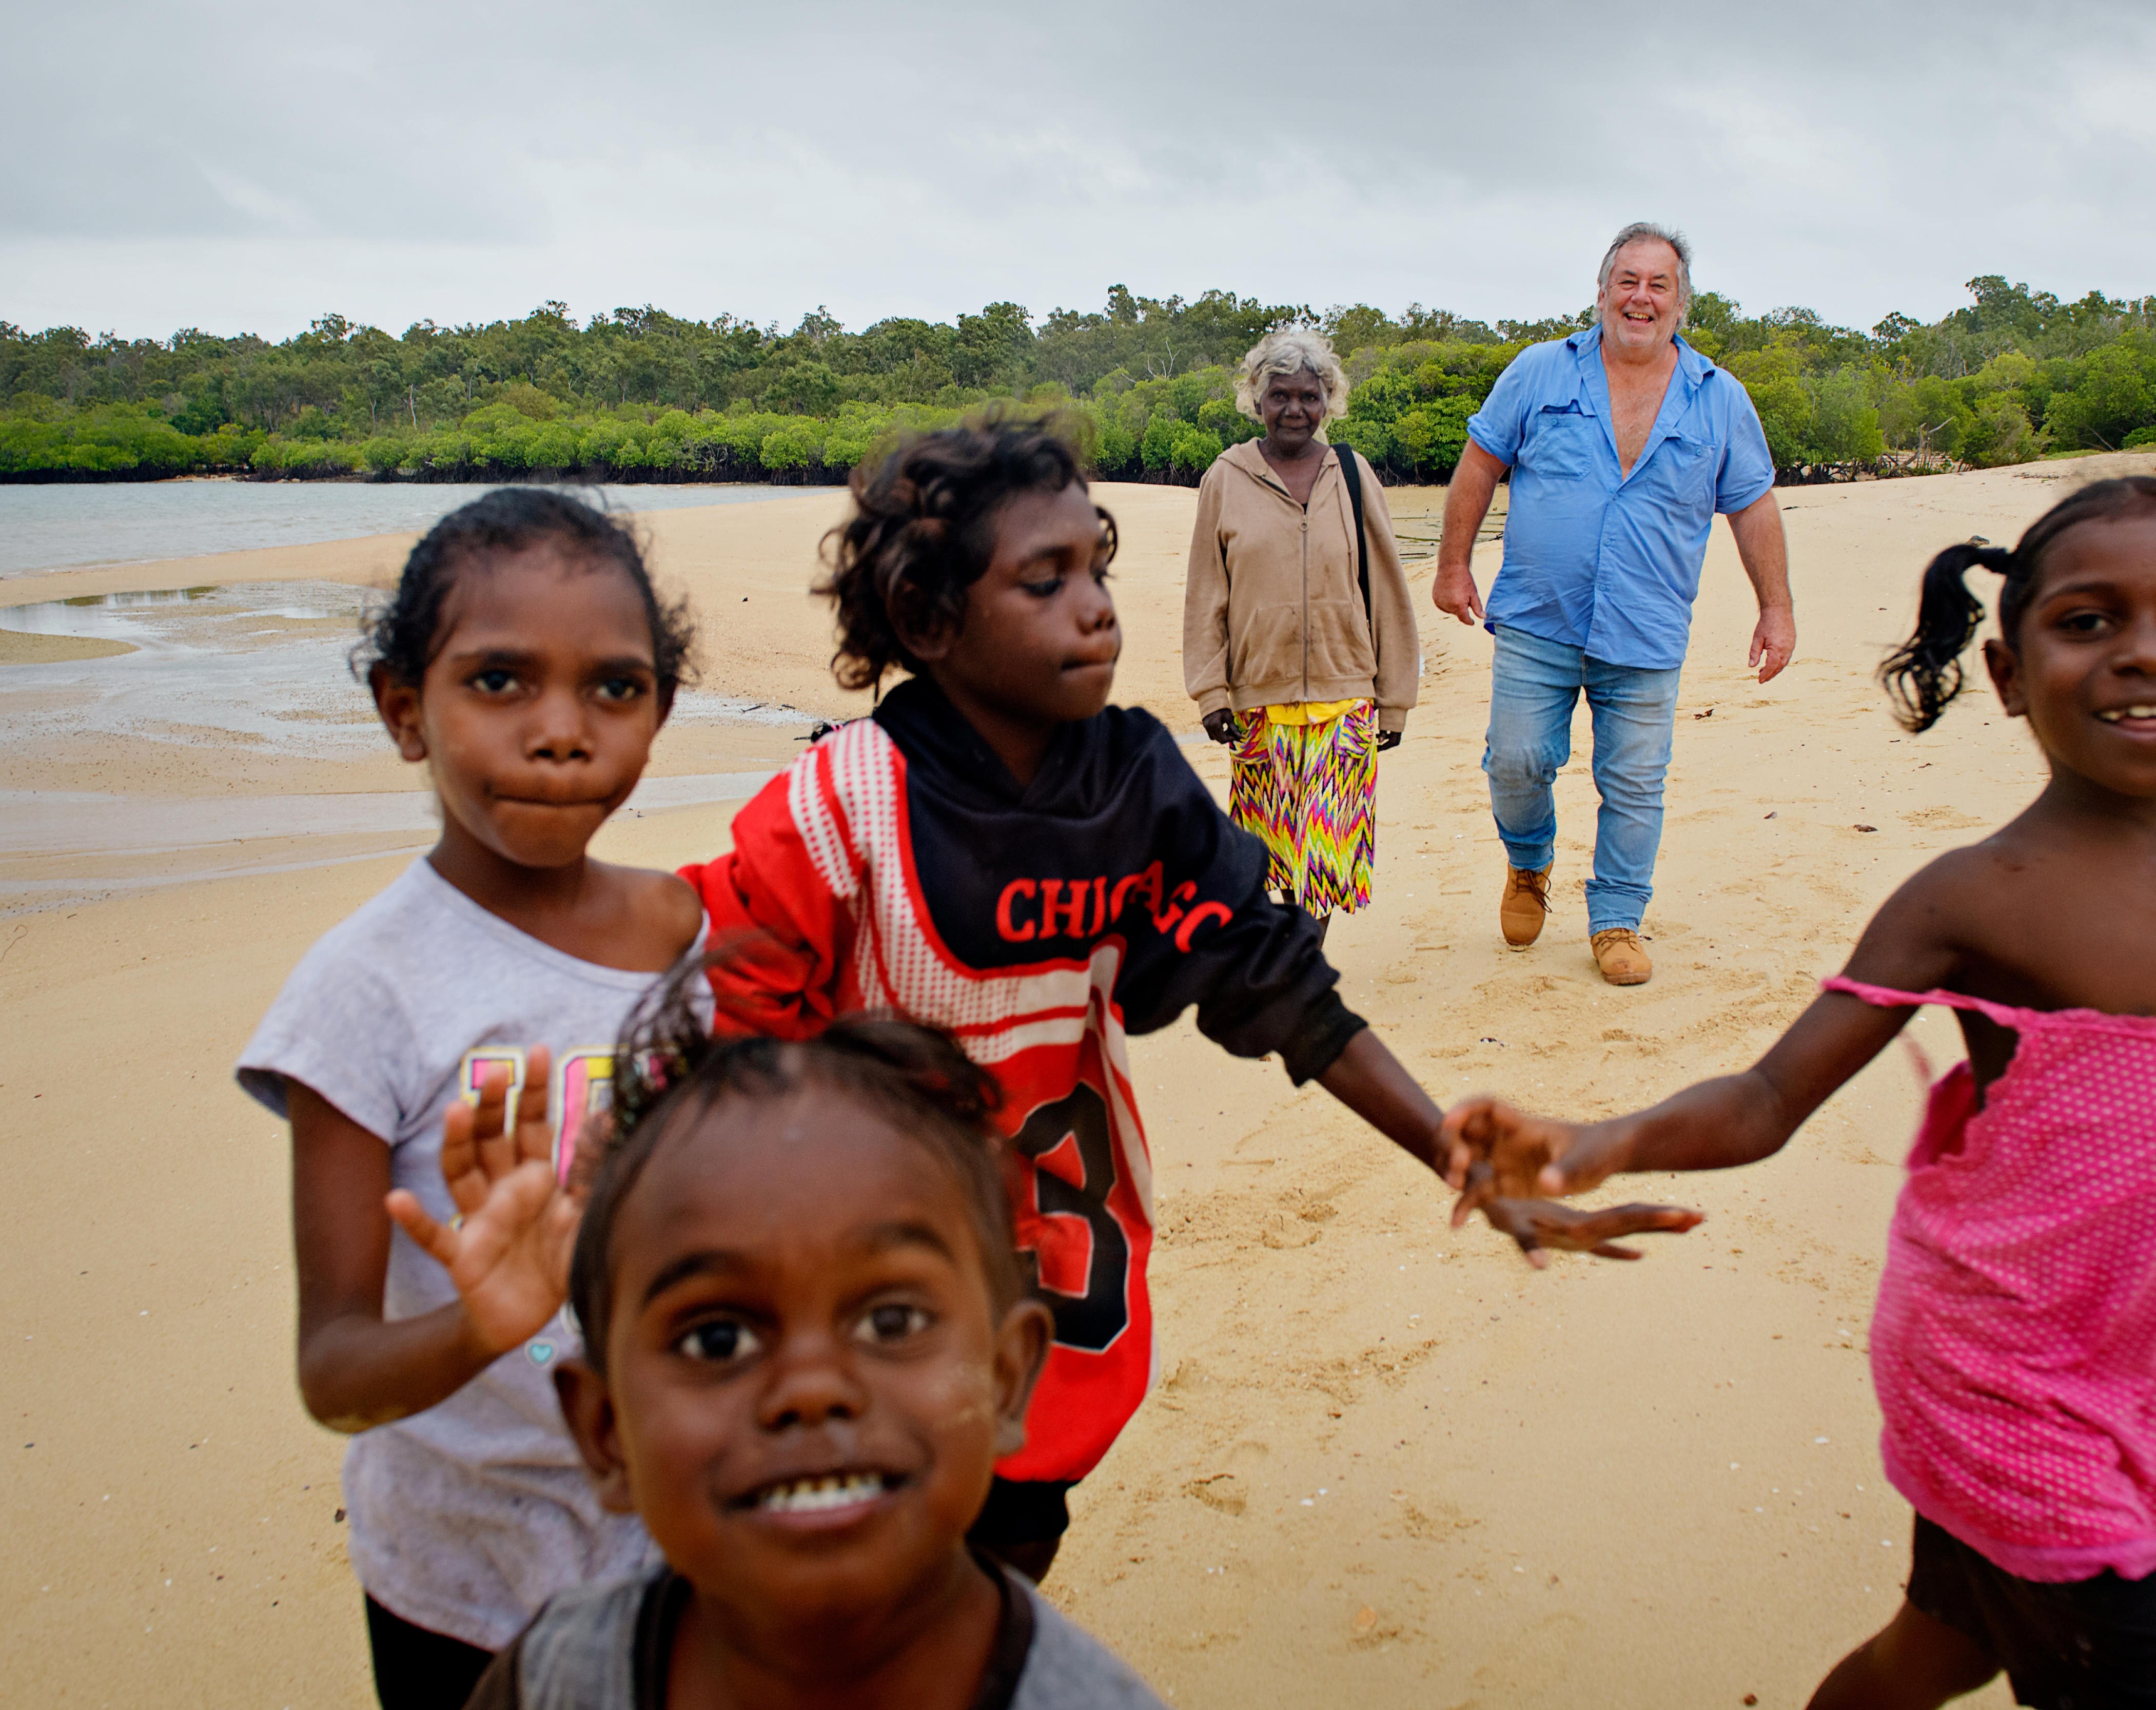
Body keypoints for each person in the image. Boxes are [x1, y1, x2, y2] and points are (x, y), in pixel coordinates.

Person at [1438, 477, 2156, 1709]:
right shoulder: (1970, 899)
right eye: (2086, 622)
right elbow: (1768, 1099)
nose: (2147, 652)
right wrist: (1599, 1139)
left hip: (2148, 1380)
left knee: (1938, 1646)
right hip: (2004, 1391)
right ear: (2010, 670)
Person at [682, 420, 1697, 1583]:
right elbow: (720, 1025)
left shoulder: (1132, 785)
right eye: (1045, 580)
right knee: (866, 1543)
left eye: (1097, 569)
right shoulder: (836, 809)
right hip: (853, 1256)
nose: (1097, 607)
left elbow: (1282, 991)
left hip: (1051, 1263)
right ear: (927, 622)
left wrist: (1448, 1151)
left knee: (1016, 1522)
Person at [236, 490, 707, 1710]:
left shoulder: (687, 938)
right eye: (499, 681)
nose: (563, 732)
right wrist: (485, 1322)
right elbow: (335, 1372)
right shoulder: (365, 990)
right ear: (406, 710)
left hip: (689, 1535)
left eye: (615, 687)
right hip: (464, 1576)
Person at [461, 1013, 1169, 1709]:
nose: (811, 1389)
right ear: (605, 1430)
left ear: (1007, 1381)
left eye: (892, 1322)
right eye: (718, 1340)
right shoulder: (554, 1681)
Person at [1434, 221, 1795, 987]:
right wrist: (1452, 566)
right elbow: (1478, 466)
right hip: (1539, 615)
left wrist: (1777, 609)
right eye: (1627, 282)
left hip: (1649, 624)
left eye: (1658, 284)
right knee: (1518, 760)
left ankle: (1617, 919)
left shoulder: (1720, 399)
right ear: (1601, 294)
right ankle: (1529, 865)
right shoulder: (1538, 373)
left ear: (1681, 303)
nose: (1641, 297)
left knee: (1634, 781)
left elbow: (1754, 505)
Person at [1185, 325, 1420, 936]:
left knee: (1323, 853)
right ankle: (1291, 954)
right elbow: (1206, 593)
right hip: (1258, 698)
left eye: (1309, 396)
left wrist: (1394, 699)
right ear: (1257, 400)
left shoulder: (1352, 472)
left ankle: (1302, 956)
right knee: (1270, 853)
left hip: (1345, 695)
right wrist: (1210, 693)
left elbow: (1388, 587)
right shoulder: (1224, 478)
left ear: (1328, 401)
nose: (1295, 409)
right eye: (1280, 395)